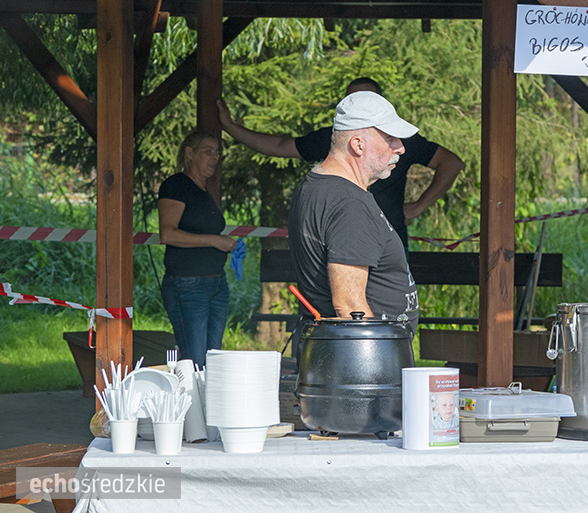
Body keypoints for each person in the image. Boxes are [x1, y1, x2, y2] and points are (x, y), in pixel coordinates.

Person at [217, 77, 465, 250]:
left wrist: (418, 206)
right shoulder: (330, 138)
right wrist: (229, 127)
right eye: (354, 101)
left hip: (389, 240)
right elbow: (280, 146)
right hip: (340, 241)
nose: (397, 148)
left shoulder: (404, 140)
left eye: (368, 100)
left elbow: (451, 163)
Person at [287, 91, 420, 359]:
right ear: (358, 145)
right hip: (358, 369)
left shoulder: (318, 185)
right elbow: (349, 306)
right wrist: (380, 371)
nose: (401, 148)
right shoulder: (349, 203)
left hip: (335, 359)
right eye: (390, 139)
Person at [158, 131, 237, 369]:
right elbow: (168, 234)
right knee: (195, 360)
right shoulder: (176, 185)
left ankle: (207, 406)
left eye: (218, 153)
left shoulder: (204, 190)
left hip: (216, 284)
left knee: (212, 359)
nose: (215, 158)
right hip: (188, 285)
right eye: (208, 151)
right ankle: (192, 405)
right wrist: (215, 241)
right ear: (190, 153)